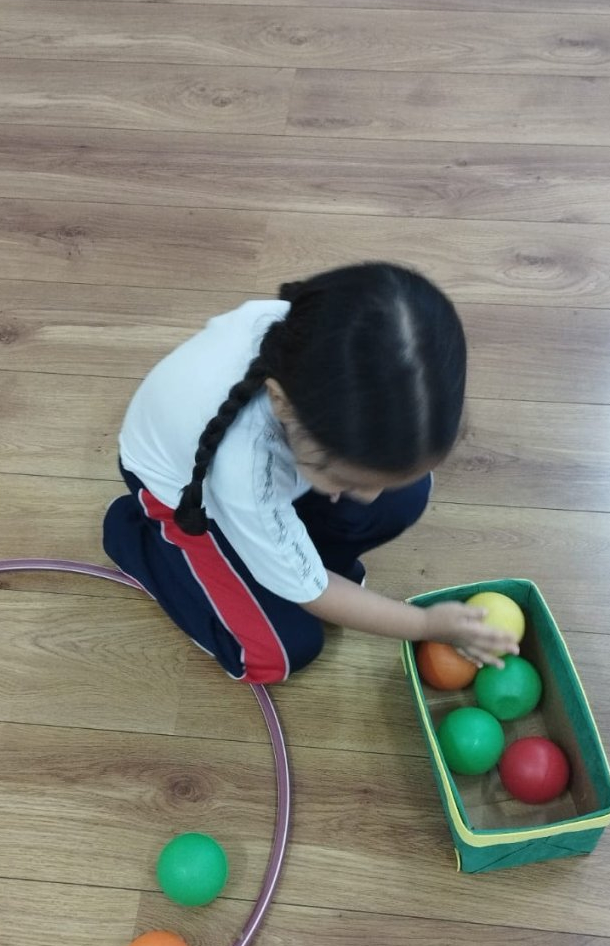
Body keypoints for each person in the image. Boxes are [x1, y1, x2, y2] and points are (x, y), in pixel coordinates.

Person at [103, 262, 517, 683]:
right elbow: (315, 594)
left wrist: (341, 486)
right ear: (282, 403)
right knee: (279, 653)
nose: (369, 495)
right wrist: (425, 624)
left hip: (263, 463)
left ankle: (293, 551)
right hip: (183, 494)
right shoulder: (247, 473)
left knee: (404, 495)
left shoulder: (317, 338)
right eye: (351, 480)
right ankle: (134, 537)